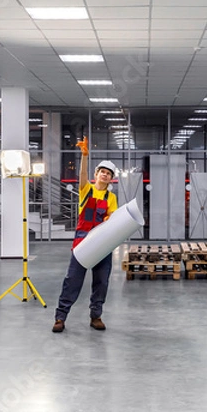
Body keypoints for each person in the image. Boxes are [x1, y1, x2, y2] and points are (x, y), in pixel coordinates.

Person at [52, 136, 118, 333]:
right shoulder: (86, 190)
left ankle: (96, 316)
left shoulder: (111, 197)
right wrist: (84, 157)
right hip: (83, 241)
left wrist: (110, 220)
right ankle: (60, 317)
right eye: (102, 172)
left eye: (108, 174)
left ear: (110, 178)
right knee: (72, 281)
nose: (104, 175)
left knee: (101, 282)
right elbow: (81, 177)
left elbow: (113, 217)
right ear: (96, 174)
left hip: (103, 243)